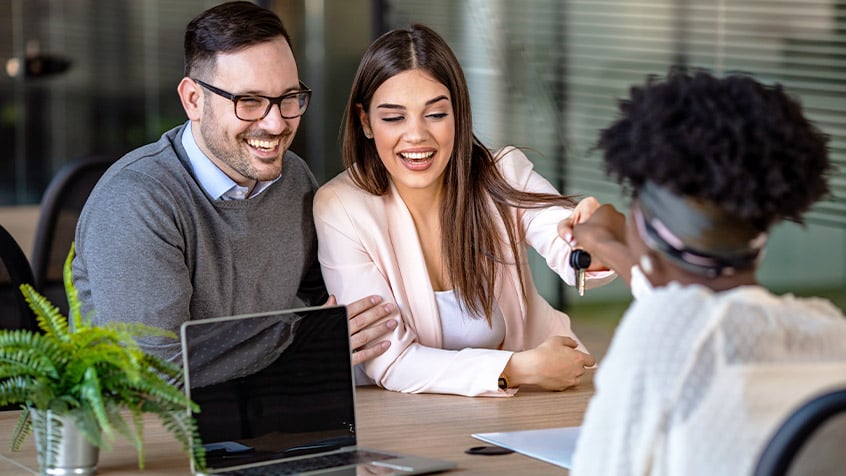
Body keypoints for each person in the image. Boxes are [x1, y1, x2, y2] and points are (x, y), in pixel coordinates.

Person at [71, 1, 394, 376]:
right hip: (149, 430)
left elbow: (329, 311)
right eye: (250, 101)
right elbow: (154, 373)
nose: (275, 124)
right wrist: (298, 342)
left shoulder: (293, 179)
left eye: (289, 98)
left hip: (270, 417)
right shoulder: (137, 202)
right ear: (193, 99)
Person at [312, 24, 615, 398]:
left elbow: (564, 241)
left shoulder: (502, 173)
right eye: (394, 118)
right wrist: (516, 370)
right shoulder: (340, 207)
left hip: (538, 401)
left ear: (458, 113)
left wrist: (590, 240)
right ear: (365, 122)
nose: (416, 135)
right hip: (406, 418)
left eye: (435, 114)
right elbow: (389, 360)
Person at [568, 70, 846, 475]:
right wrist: (613, 246)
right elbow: (700, 315)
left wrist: (615, 245)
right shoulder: (828, 329)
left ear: (643, 229)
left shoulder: (664, 336)